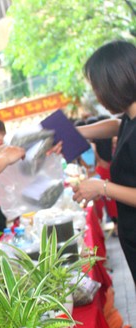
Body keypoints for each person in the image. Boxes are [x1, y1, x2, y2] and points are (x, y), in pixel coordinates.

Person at [72, 40, 136, 284]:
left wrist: (101, 187)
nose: (98, 95)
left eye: (97, 86)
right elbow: (116, 126)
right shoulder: (130, 118)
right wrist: (77, 132)